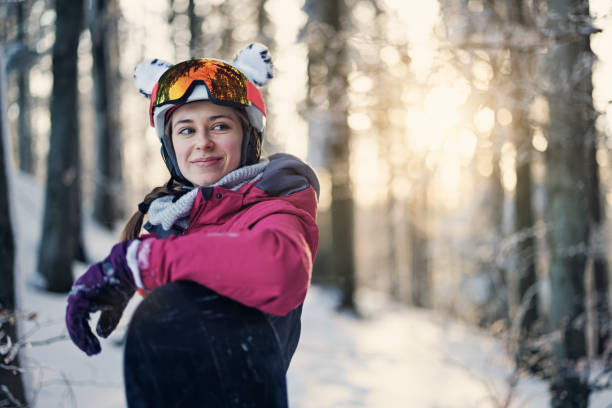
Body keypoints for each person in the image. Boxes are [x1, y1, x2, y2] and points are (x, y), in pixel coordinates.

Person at [65, 43, 319, 408]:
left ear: (249, 136)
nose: (203, 142)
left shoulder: (276, 206)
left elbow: (282, 269)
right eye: (186, 130)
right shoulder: (174, 220)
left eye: (219, 126)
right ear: (169, 146)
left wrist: (139, 263)